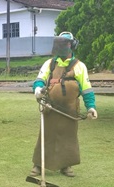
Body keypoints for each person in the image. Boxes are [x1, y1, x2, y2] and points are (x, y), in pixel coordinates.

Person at [30, 32, 97, 177]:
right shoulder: (49, 64)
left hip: (70, 108)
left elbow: (86, 88)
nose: (62, 47)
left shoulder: (80, 66)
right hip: (50, 106)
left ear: (72, 45)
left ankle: (66, 166)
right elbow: (40, 79)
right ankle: (38, 165)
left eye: (65, 44)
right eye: (59, 44)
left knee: (69, 136)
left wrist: (91, 107)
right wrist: (37, 89)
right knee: (46, 134)